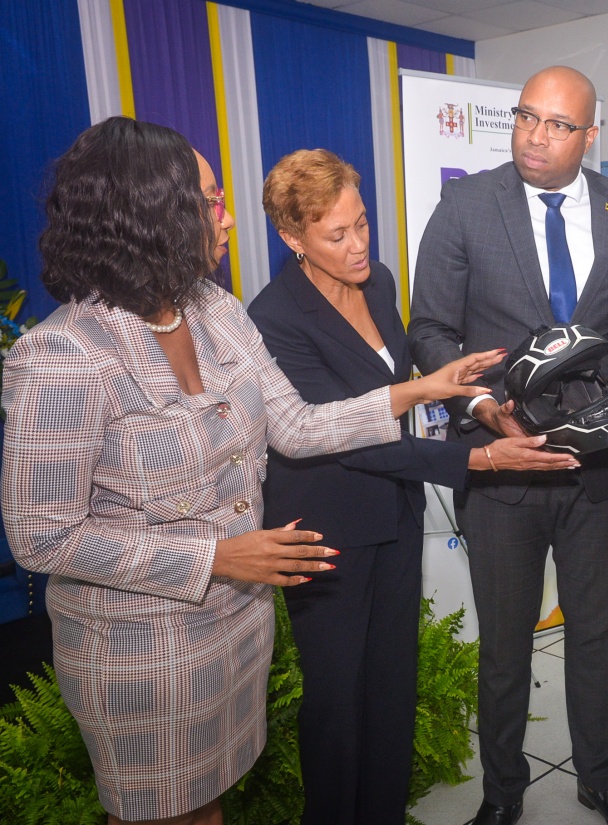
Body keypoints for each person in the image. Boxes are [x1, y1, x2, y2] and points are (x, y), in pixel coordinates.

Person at [0, 117, 497, 825]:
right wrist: (216, 555)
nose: (229, 217)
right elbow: (43, 537)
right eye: (210, 200)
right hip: (144, 651)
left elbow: (296, 423)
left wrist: (418, 389)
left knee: (209, 810)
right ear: (150, 212)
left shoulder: (216, 310)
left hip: (235, 628)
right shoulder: (62, 355)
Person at [247, 149, 577, 825]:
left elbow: (401, 401)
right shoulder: (275, 315)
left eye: (362, 222)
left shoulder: (379, 284)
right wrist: (478, 461)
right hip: (326, 535)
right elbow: (344, 435)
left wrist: (471, 406)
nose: (360, 243)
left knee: (391, 693)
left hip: (393, 519)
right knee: (338, 708)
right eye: (337, 235)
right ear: (293, 238)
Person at [409, 66, 608, 825]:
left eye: (558, 124)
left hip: (597, 470)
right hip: (501, 470)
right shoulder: (465, 204)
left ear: (592, 135)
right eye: (527, 117)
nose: (535, 135)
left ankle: (600, 777)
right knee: (504, 647)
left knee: (596, 631)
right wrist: (487, 407)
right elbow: (430, 327)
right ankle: (502, 791)